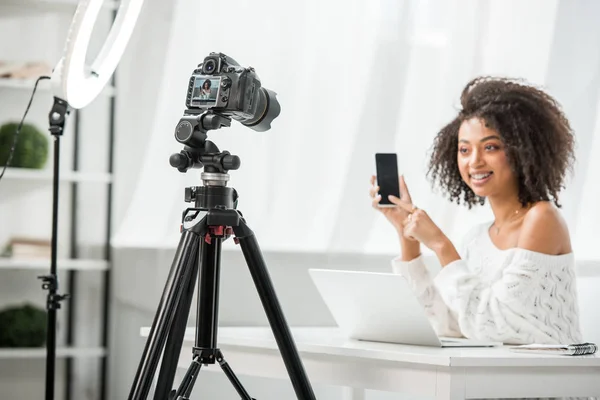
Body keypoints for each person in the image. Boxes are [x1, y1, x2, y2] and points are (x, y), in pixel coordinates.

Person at [370, 76, 583, 347]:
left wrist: (440, 244)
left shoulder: (542, 219)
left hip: (546, 387)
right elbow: (448, 325)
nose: (474, 161)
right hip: (491, 383)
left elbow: (492, 324)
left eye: (491, 147)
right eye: (464, 149)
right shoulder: (476, 238)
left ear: (523, 150)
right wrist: (407, 238)